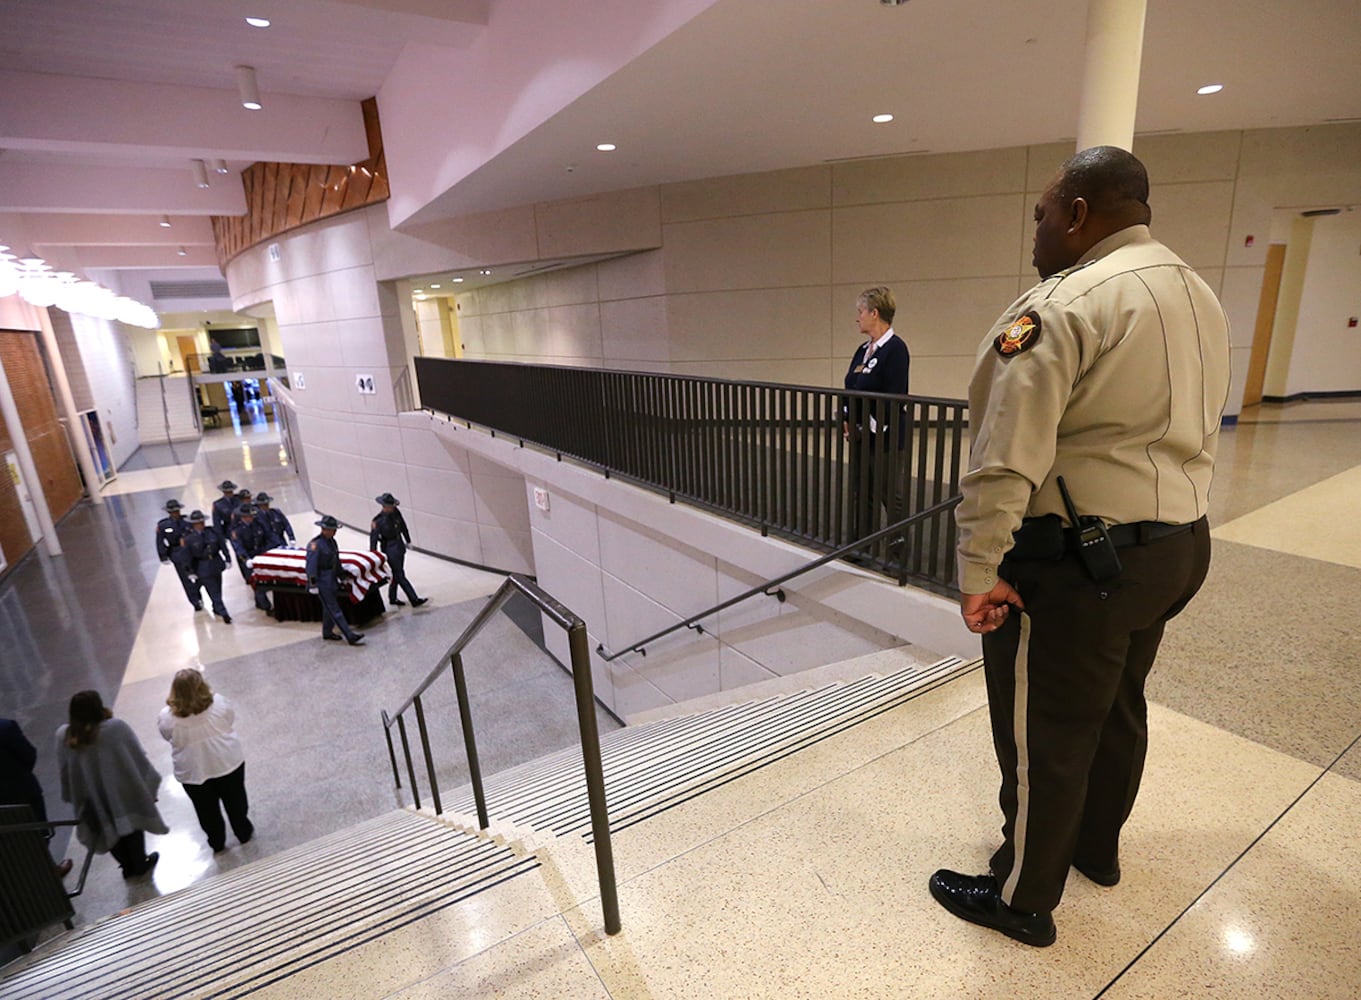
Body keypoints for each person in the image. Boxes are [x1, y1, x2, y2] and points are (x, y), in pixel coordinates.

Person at [929, 146, 1231, 947]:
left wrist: (977, 572)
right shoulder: (1196, 289)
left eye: (1039, 214)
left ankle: (1022, 896)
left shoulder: (1059, 306)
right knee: (1117, 706)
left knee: (1045, 733)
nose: (1033, 231)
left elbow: (1002, 459)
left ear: (1075, 213)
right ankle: (1095, 851)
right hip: (1177, 547)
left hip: (1079, 561)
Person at [56, 691, 167, 879]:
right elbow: (137, 755)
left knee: (106, 828)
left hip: (91, 796)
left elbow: (65, 769)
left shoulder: (63, 736)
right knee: (132, 826)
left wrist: (71, 793)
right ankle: (140, 863)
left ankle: (126, 866)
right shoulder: (116, 728)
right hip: (124, 790)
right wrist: (147, 782)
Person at [841, 286, 910, 553]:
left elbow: (895, 395)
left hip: (886, 438)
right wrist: (848, 418)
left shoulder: (896, 349)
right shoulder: (862, 350)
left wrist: (870, 426)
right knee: (863, 493)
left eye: (860, 312)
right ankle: (863, 547)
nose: (857, 318)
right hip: (861, 435)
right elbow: (850, 385)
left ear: (875, 313)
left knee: (889, 494)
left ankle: (898, 552)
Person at [156, 669, 253, 854]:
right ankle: (243, 831)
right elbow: (229, 719)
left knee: (206, 811)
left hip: (193, 772)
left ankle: (216, 841)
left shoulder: (167, 717)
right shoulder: (218, 703)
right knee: (236, 801)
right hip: (226, 762)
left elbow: (167, 736)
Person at [1, 716, 73, 877]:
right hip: (22, 792)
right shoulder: (5, 727)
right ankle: (47, 869)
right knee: (39, 832)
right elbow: (29, 755)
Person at [305, 515, 364, 646]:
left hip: (331, 579)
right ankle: (350, 636)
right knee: (334, 609)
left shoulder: (332, 542)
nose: (334, 531)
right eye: (332, 529)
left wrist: (342, 576)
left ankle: (327, 632)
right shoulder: (315, 545)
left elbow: (336, 561)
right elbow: (311, 566)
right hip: (321, 581)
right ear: (324, 529)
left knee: (328, 608)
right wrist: (312, 584)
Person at [369, 493, 428, 609]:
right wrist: (374, 554)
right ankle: (414, 599)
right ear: (384, 506)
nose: (392, 507)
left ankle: (392, 598)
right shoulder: (378, 521)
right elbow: (374, 539)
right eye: (390, 506)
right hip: (389, 548)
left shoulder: (396, 512)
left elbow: (403, 526)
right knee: (400, 575)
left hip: (399, 545)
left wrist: (408, 540)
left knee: (397, 573)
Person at [182, 510, 233, 624]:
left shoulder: (212, 532)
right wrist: (189, 571)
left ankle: (217, 608)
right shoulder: (189, 539)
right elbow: (187, 556)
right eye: (198, 523)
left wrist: (227, 558)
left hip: (216, 563)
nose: (201, 524)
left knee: (218, 589)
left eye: (202, 522)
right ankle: (224, 612)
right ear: (193, 524)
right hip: (202, 567)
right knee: (213, 591)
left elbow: (222, 545)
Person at [155, 498, 201, 611]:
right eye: (173, 511)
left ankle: (197, 593)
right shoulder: (163, 525)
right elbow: (160, 541)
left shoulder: (187, 521)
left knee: (199, 574)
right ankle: (195, 601)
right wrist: (163, 555)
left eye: (177, 511)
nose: (175, 513)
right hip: (177, 553)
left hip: (191, 551)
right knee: (186, 579)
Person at [229, 504, 274, 613]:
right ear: (243, 517)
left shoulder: (258, 524)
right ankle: (266, 606)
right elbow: (238, 547)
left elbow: (268, 537)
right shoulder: (237, 531)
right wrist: (246, 559)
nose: (251, 518)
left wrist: (268, 551)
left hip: (260, 554)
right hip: (248, 558)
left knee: (263, 580)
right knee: (257, 582)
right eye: (249, 516)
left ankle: (259, 602)